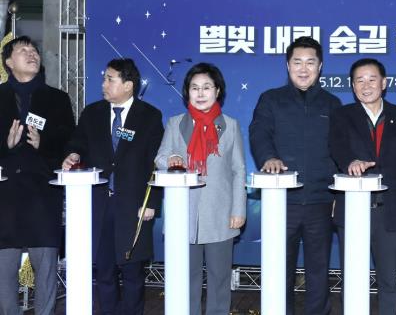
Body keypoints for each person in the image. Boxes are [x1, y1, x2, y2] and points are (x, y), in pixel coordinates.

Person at [62, 58, 164, 315]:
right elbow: (78, 142)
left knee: (132, 272)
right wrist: (73, 154)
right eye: (104, 78)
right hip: (98, 203)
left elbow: (156, 162)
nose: (103, 84)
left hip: (133, 206)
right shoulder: (92, 113)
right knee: (103, 270)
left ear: (128, 85)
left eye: (110, 79)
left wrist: (151, 202)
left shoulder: (149, 116)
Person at [249, 36, 341, 314]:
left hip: (320, 200)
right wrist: (268, 157)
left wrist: (337, 194)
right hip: (282, 200)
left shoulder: (332, 104)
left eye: (310, 62)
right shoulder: (271, 99)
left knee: (319, 270)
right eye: (297, 62)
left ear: (320, 66)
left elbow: (341, 149)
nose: (303, 69)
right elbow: (259, 134)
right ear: (287, 65)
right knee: (279, 268)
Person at [154, 62, 246, 315]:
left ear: (217, 91)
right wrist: (171, 159)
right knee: (186, 279)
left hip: (220, 214)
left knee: (219, 279)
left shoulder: (230, 125)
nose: (200, 93)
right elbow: (160, 157)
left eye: (206, 87)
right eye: (194, 88)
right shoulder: (175, 124)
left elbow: (239, 170)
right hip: (184, 214)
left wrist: (238, 209)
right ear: (187, 92)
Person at [329, 58, 396, 315]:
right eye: (359, 81)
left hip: (391, 211)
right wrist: (349, 162)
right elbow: (336, 147)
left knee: (389, 280)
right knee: (353, 278)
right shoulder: (341, 116)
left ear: (384, 83)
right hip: (353, 209)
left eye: (372, 79)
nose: (366, 86)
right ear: (353, 86)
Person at [0, 36, 75, 315]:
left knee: (45, 270)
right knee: (3, 273)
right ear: (9, 62)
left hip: (42, 194)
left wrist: (43, 144)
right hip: (5, 196)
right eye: (23, 50)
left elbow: (69, 143)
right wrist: (5, 145)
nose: (32, 54)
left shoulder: (57, 98)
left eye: (34, 50)